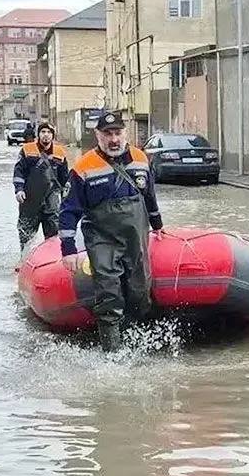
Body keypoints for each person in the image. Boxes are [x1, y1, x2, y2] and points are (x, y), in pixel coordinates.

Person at [59, 112, 164, 352]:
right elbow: (68, 210)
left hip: (135, 240)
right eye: (107, 134)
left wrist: (158, 226)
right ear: (98, 136)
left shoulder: (140, 159)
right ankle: (112, 355)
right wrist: (68, 250)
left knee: (140, 295)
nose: (114, 139)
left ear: (125, 134)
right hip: (102, 241)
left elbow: (150, 197)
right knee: (109, 296)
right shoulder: (83, 167)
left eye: (118, 133)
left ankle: (136, 348)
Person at [13, 122, 68, 251]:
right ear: (38, 134)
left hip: (51, 200)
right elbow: (19, 172)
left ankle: (51, 262)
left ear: (53, 136)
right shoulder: (27, 150)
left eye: (49, 133)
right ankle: (24, 260)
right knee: (26, 235)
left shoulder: (60, 153)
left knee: (53, 236)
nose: (46, 135)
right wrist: (19, 190)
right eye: (43, 132)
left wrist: (67, 199)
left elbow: (65, 179)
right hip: (30, 199)